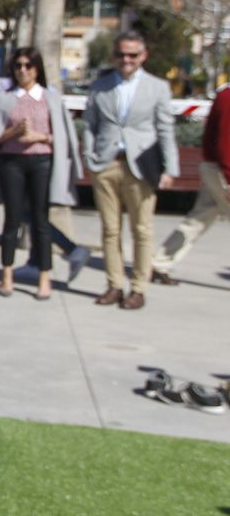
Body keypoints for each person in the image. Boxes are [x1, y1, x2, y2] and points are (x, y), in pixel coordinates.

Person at [82, 31, 178, 310]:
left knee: (142, 229)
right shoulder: (100, 87)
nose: (127, 60)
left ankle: (138, 288)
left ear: (143, 56)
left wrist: (170, 167)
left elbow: (165, 129)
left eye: (133, 55)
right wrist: (90, 157)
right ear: (115, 55)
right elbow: (90, 124)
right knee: (110, 230)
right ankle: (114, 285)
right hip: (106, 163)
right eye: (122, 54)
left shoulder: (157, 87)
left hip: (142, 165)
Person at [0, 47, 82, 300]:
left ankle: (44, 276)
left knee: (41, 221)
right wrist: (12, 134)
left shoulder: (50, 99)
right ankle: (7, 274)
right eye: (18, 66)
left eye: (28, 65)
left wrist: (41, 137)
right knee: (12, 219)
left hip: (41, 162)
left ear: (37, 69)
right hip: (11, 162)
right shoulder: (4, 99)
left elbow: (64, 137)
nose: (23, 70)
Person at [152, 81, 230, 280]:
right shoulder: (228, 97)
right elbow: (225, 143)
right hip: (222, 170)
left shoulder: (225, 94)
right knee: (198, 219)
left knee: (198, 219)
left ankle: (160, 262)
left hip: (215, 168)